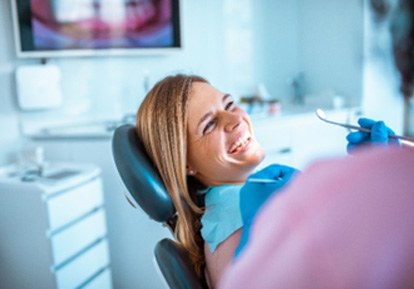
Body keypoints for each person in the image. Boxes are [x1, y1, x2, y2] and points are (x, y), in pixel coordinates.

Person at [135, 72, 399, 287]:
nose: (235, 120)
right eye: (209, 125)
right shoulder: (234, 212)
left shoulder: (223, 209)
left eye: (228, 105)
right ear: (186, 164)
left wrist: (371, 181)